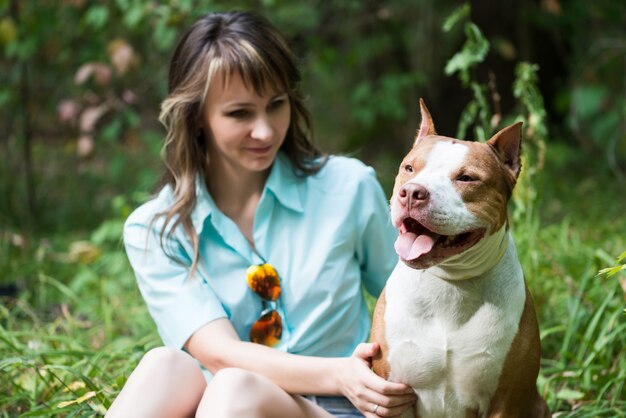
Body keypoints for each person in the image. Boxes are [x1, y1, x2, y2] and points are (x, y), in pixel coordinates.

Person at [106, 10, 416, 418]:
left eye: (276, 105)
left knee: (235, 390)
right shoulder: (157, 229)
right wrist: (338, 373)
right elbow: (220, 355)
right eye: (240, 113)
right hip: (230, 404)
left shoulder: (348, 189)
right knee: (166, 366)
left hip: (342, 411)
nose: (265, 131)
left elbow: (417, 300)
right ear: (197, 116)